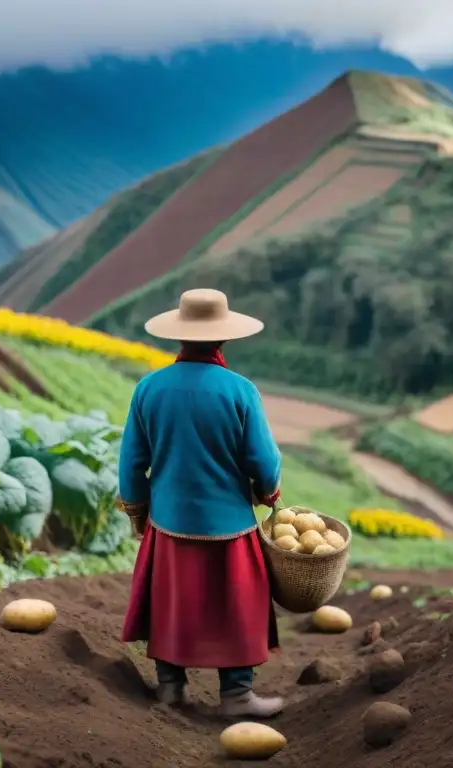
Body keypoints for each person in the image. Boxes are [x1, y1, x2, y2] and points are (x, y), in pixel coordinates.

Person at [118, 288, 285, 719]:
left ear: (179, 336)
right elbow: (264, 462)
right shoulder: (240, 390)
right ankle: (237, 695)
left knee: (170, 600)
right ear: (224, 339)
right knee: (237, 602)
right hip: (229, 520)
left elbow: (132, 464)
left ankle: (171, 687)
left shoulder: (148, 388)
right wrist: (268, 493)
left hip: (169, 518)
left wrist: (138, 512)